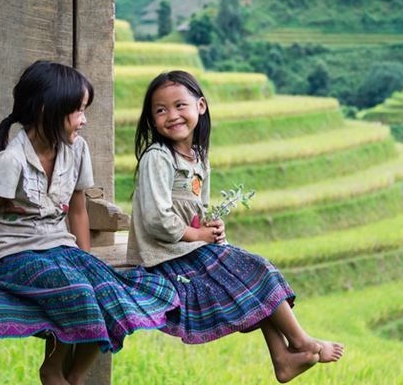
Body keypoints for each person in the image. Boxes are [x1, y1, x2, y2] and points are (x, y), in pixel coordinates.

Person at [0, 61, 179, 385]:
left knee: (109, 293)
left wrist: (85, 258)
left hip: (61, 248)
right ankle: (52, 369)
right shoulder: (11, 160)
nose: (84, 119)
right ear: (45, 110)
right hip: (18, 254)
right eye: (78, 110)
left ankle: (75, 377)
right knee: (78, 292)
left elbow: (78, 210)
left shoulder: (77, 149)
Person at [128, 70, 344, 383]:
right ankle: (300, 341)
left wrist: (211, 230)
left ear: (200, 106)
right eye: (160, 110)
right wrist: (198, 235)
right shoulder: (158, 158)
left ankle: (283, 359)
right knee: (254, 269)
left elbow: (198, 210)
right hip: (163, 259)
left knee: (251, 277)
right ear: (151, 118)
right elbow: (156, 218)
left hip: (189, 249)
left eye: (179, 106)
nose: (171, 115)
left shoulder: (198, 157)